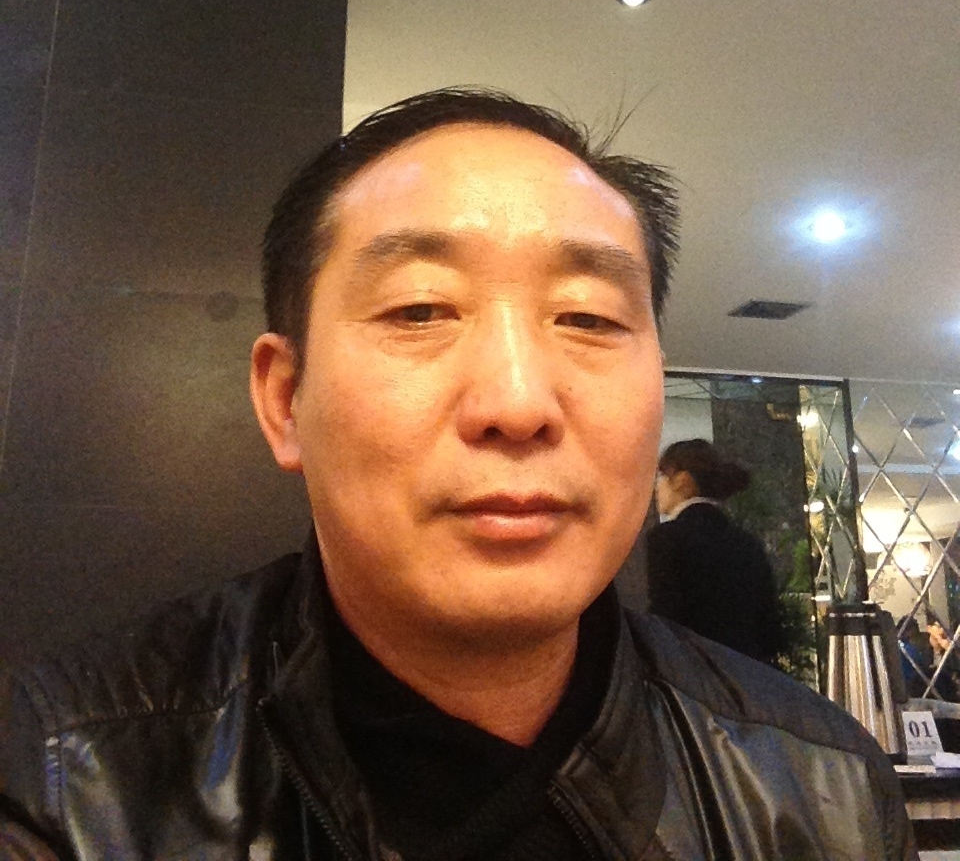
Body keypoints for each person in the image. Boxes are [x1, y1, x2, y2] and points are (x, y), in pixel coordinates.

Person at [0, 88, 914, 860]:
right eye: (421, 309)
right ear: (284, 399)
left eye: (588, 318)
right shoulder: (65, 782)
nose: (517, 401)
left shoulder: (822, 788)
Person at [645, 438, 785, 663]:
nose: (655, 487)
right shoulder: (747, 543)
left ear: (682, 480)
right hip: (747, 670)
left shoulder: (667, 538)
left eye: (660, 476)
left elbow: (666, 619)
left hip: (693, 669)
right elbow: (769, 627)